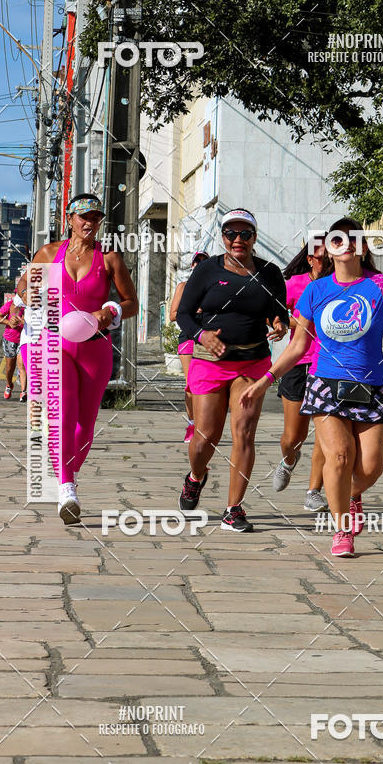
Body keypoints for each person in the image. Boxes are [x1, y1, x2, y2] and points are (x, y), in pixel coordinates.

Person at [241, 216, 383, 558]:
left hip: (372, 386)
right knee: (338, 455)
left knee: (371, 466)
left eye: (354, 239)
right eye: (337, 240)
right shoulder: (316, 290)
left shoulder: (381, 286)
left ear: (364, 247)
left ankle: (351, 495)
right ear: (329, 249)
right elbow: (296, 346)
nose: (346, 244)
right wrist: (266, 380)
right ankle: (342, 531)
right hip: (325, 384)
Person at [17, 193, 139, 523]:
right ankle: (67, 487)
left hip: (96, 347)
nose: (90, 223)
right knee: (63, 416)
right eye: (84, 217)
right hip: (55, 346)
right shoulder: (48, 254)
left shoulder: (109, 258)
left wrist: (109, 310)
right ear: (69, 219)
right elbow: (22, 287)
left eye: (96, 218)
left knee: (86, 424)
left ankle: (66, 475)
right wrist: (31, 296)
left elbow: (132, 304)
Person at [176, 208, 288, 532]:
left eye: (245, 234)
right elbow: (184, 314)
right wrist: (202, 334)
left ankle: (233, 509)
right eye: (231, 234)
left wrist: (279, 325)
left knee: (244, 432)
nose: (238, 240)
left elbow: (278, 313)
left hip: (252, 364)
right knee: (204, 438)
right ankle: (196, 476)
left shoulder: (269, 273)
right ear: (223, 237)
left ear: (254, 237)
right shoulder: (208, 270)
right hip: (210, 362)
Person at [272, 243, 329, 512]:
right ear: (310, 259)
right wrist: (287, 324)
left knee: (325, 435)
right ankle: (288, 460)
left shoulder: (343, 284)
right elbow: (277, 316)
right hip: (299, 363)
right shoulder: (294, 284)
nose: (328, 262)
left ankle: (313, 491)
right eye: (322, 259)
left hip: (329, 366)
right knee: (293, 436)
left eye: (332, 257)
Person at [169, 250, 209, 442]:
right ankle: (192, 424)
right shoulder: (183, 287)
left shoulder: (214, 287)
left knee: (207, 384)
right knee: (191, 384)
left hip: (209, 339)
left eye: (204, 261)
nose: (200, 264)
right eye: (197, 261)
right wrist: (192, 311)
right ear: (192, 265)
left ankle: (205, 425)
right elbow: (172, 314)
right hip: (188, 338)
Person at [0, 297, 27, 401]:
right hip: (10, 339)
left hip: (24, 340)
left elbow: (36, 323)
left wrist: (21, 321)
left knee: (22, 366)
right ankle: (9, 385)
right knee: (9, 368)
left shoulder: (30, 307)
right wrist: (9, 322)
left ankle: (23, 392)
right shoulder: (9, 305)